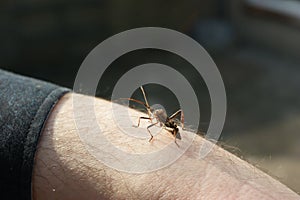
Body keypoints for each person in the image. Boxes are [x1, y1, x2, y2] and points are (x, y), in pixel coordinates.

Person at [0, 69, 299, 200]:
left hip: (170, 126)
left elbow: (156, 124)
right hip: (166, 126)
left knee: (163, 124)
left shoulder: (161, 120)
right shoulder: (150, 116)